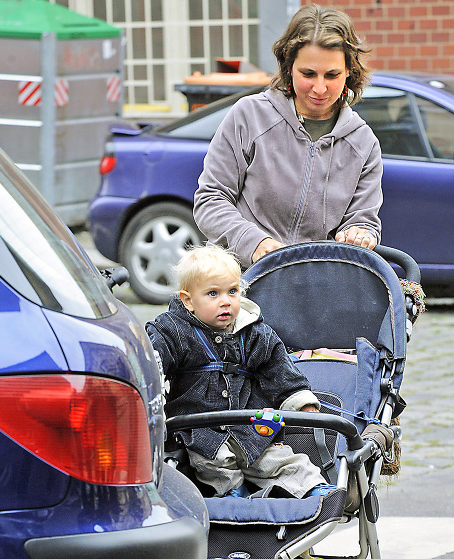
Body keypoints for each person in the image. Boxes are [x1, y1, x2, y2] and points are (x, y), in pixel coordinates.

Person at [193, 4, 382, 269]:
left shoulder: (363, 143)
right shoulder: (249, 116)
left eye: (332, 75)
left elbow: (363, 220)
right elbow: (210, 200)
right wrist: (255, 243)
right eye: (308, 74)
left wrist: (360, 234)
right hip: (242, 280)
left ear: (349, 71)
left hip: (313, 288)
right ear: (288, 66)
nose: (319, 87)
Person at [146, 245, 333, 499]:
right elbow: (152, 361)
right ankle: (235, 495)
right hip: (199, 430)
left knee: (278, 458)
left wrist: (299, 398)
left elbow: (277, 366)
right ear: (188, 300)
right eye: (213, 294)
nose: (225, 301)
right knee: (214, 464)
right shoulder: (172, 331)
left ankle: (313, 487)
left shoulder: (253, 331)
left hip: (248, 426)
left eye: (232, 291)